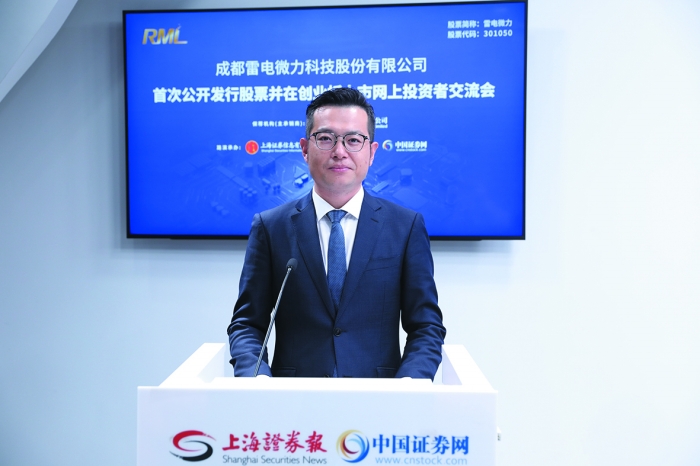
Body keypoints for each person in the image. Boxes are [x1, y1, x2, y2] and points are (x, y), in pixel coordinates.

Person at [227, 87, 445, 379]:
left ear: (372, 152)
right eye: (326, 139)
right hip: (292, 398)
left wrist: (410, 384)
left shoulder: (405, 227)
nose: (339, 152)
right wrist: (256, 379)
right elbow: (247, 324)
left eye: (353, 140)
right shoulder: (271, 227)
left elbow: (426, 327)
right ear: (305, 149)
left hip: (379, 397)